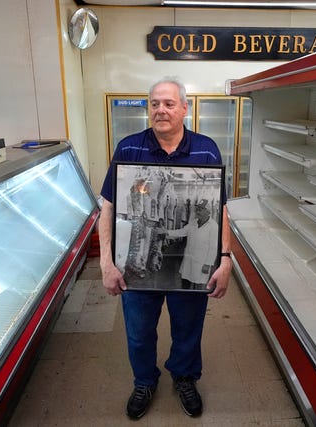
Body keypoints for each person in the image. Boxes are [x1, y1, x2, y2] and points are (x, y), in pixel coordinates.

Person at [98, 77, 232, 419]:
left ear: (184, 108)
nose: (161, 110)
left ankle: (184, 377)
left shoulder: (206, 149)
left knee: (188, 326)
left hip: (192, 259)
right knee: (139, 330)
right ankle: (144, 381)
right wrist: (106, 262)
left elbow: (220, 208)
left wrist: (227, 258)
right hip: (134, 259)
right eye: (155, 103)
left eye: (169, 104)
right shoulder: (129, 148)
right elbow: (109, 207)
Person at [159, 198, 219, 290]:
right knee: (185, 283)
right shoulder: (193, 223)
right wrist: (166, 232)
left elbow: (213, 247)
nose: (198, 211)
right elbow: (182, 232)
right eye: (197, 209)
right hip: (189, 259)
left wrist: (208, 264)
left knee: (199, 285)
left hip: (201, 262)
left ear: (208, 211)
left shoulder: (213, 226)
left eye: (201, 209)